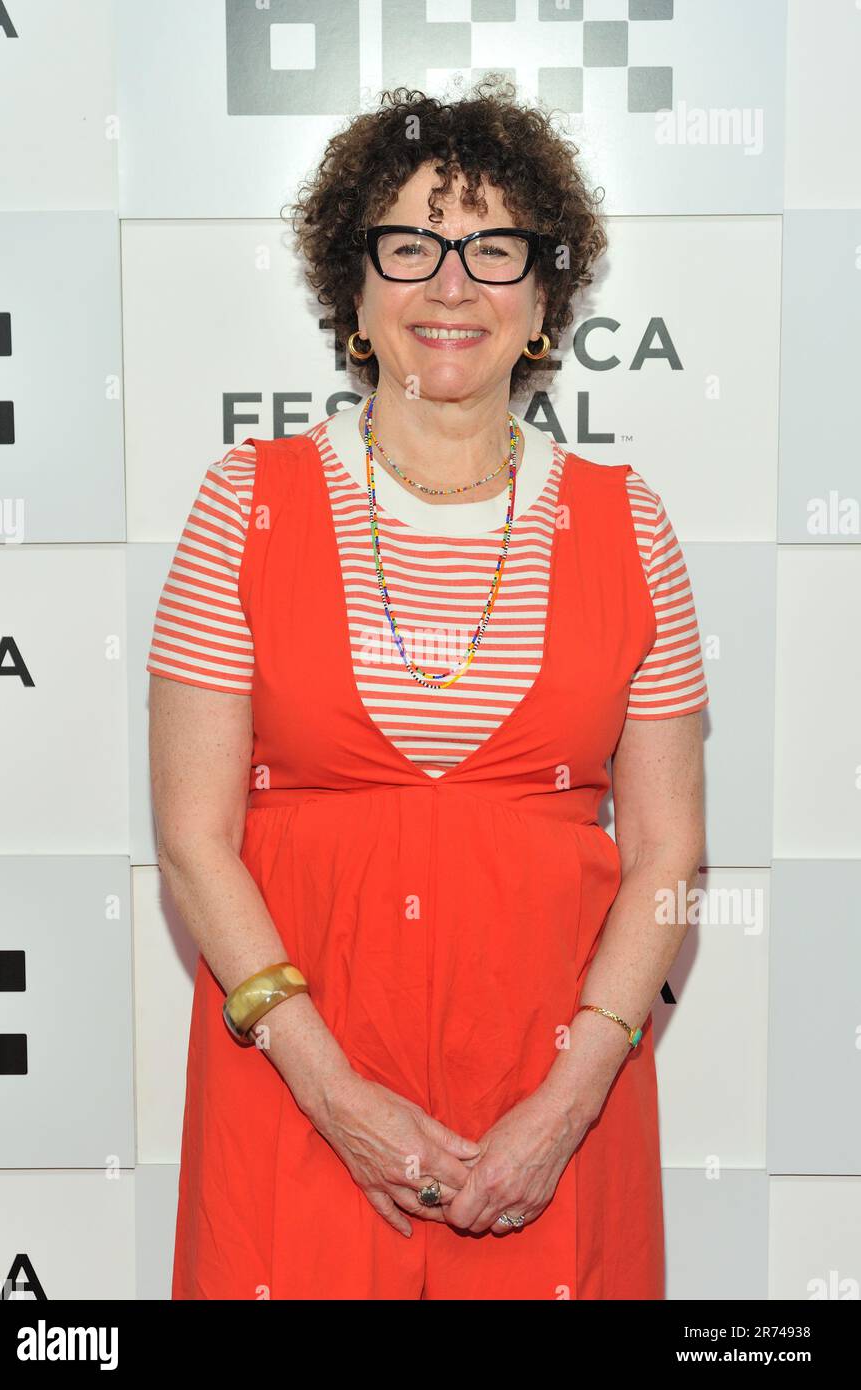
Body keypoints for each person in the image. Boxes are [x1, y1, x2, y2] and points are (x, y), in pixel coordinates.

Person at [147, 76, 708, 1300]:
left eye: (493, 247)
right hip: (293, 1095)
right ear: (353, 288)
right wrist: (331, 1087)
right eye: (409, 244)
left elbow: (667, 854)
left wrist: (567, 1106)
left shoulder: (632, 526)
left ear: (545, 295)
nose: (450, 285)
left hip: (554, 1117)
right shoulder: (242, 506)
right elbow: (194, 841)